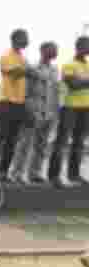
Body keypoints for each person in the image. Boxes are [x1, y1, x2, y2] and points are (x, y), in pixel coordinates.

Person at [0, 29, 38, 182]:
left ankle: (2, 172)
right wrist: (27, 71)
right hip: (6, 102)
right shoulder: (6, 56)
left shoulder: (22, 57)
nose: (27, 40)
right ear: (15, 39)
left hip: (20, 104)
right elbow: (14, 72)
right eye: (24, 37)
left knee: (12, 141)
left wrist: (27, 71)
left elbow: (29, 72)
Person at [12, 41, 60, 184]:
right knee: (25, 144)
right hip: (33, 110)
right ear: (43, 50)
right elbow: (25, 91)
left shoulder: (55, 70)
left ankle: (35, 173)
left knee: (42, 145)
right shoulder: (32, 68)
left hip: (49, 112)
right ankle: (17, 173)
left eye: (56, 49)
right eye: (52, 49)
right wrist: (27, 109)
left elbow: (55, 91)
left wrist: (55, 112)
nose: (55, 51)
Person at [48, 36, 89, 188]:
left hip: (86, 108)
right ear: (79, 46)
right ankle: (54, 176)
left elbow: (80, 82)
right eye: (87, 45)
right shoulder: (68, 65)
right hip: (70, 107)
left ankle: (74, 175)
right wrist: (83, 82)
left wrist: (82, 81)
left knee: (79, 143)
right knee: (62, 142)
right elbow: (73, 84)